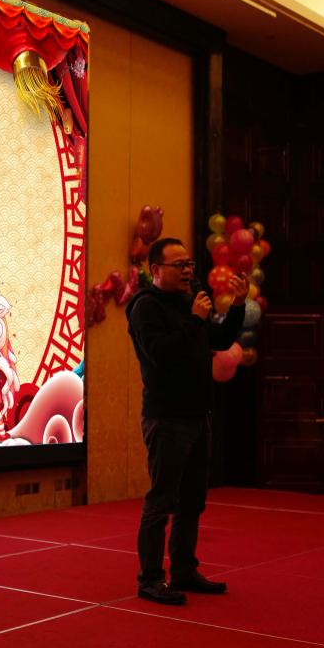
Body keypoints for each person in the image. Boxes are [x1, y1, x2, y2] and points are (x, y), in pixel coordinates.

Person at [126, 237, 248, 605]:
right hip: (166, 418)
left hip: (197, 415)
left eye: (189, 264)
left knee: (192, 500)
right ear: (155, 270)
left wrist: (238, 305)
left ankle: (183, 569)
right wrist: (194, 319)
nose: (187, 271)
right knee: (162, 500)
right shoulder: (145, 307)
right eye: (178, 265)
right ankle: (150, 578)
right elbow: (163, 355)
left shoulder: (189, 300)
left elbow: (220, 339)